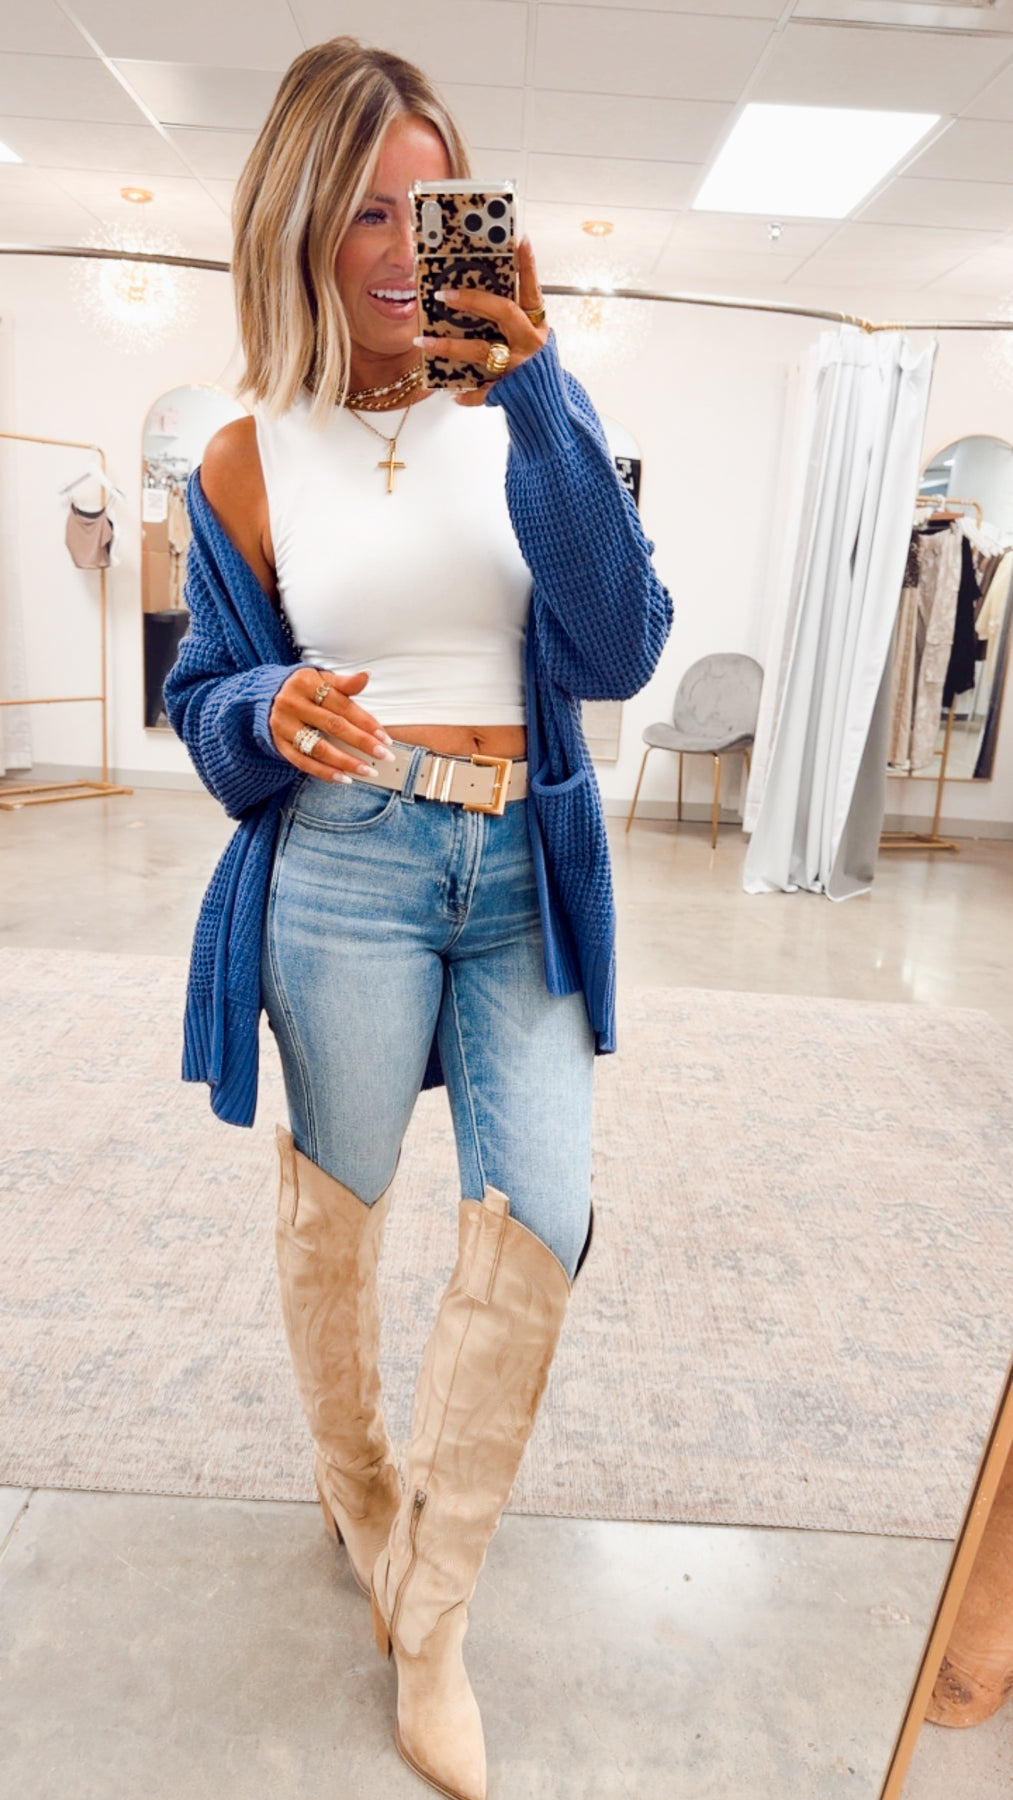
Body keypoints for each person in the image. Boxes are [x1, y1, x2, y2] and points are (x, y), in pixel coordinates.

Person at [165, 36, 671, 1800]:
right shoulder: (246, 458)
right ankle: (359, 1480)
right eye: (364, 211)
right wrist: (263, 709)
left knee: (540, 1216)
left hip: (520, 867)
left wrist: (541, 399)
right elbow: (202, 698)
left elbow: (618, 648)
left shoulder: (531, 416)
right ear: (298, 222)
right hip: (346, 866)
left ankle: (432, 1618)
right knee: (342, 1200)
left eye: (430, 206)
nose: (401, 249)